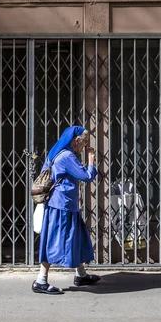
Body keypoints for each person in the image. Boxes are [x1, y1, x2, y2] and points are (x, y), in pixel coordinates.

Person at [31, 126, 101, 295]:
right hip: (62, 206)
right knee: (55, 241)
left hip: (64, 204)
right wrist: (91, 160)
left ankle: (81, 274)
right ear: (76, 140)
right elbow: (86, 176)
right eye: (84, 142)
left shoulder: (55, 152)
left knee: (76, 237)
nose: (84, 146)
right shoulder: (67, 156)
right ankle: (41, 280)